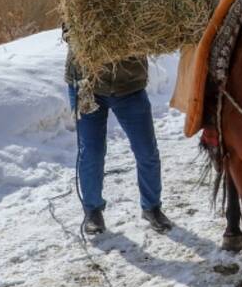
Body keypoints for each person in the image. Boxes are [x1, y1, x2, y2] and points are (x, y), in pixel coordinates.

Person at [64, 31, 174, 236]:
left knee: (146, 150)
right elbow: (67, 25)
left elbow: (152, 28)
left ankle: (152, 207)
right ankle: (92, 211)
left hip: (129, 84)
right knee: (91, 153)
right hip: (86, 84)